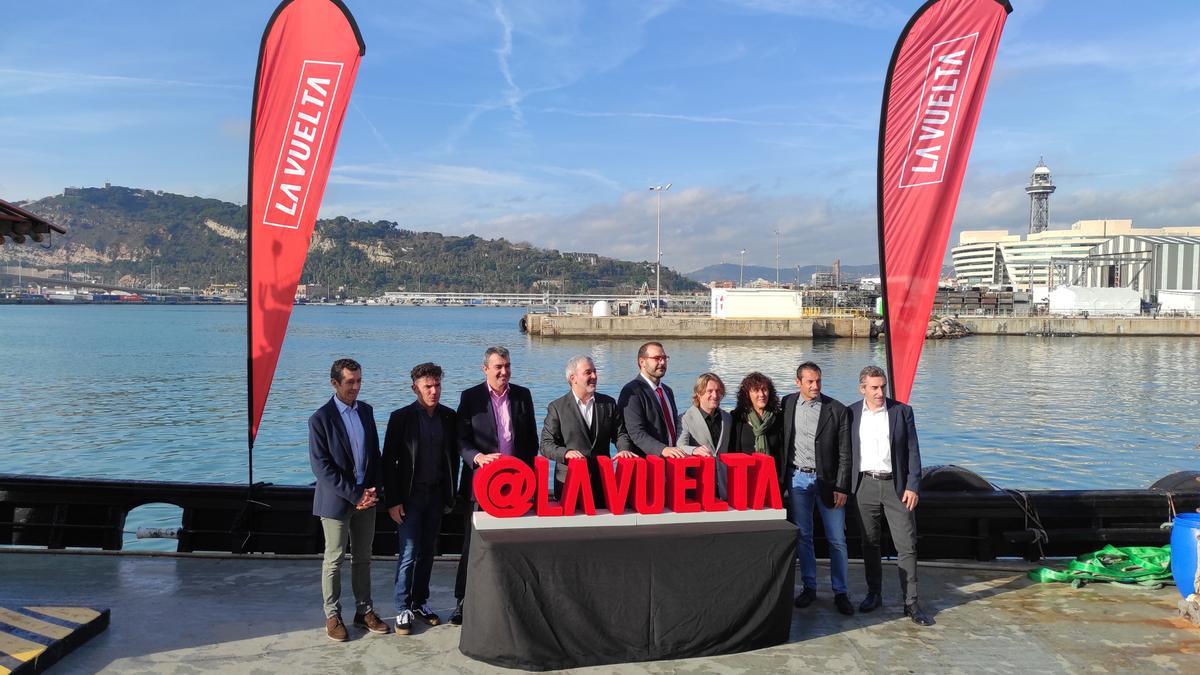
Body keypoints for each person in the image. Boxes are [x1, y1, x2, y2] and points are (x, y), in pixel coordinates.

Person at [453, 346, 538, 626]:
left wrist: (526, 479)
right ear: (485, 369)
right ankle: (463, 602)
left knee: (511, 546)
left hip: (516, 488)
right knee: (473, 546)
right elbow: (461, 440)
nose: (504, 372)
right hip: (481, 486)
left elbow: (531, 441)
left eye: (508, 366)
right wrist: (477, 458)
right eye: (498, 367)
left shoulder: (523, 396)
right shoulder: (470, 398)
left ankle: (511, 601)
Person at [308, 358, 390, 641]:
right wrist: (355, 494)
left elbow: (374, 455)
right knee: (334, 559)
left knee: (364, 558)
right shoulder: (320, 419)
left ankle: (364, 611)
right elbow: (322, 467)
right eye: (350, 382)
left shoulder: (366, 411)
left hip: (366, 499)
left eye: (359, 381)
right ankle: (332, 615)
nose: (356, 387)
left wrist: (373, 490)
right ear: (334, 383)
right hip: (337, 502)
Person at [849, 365, 933, 626]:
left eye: (882, 386)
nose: (879, 392)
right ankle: (874, 593)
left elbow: (913, 451)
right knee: (869, 543)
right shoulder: (850, 414)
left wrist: (912, 485)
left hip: (896, 486)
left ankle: (911, 603)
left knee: (906, 545)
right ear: (862, 388)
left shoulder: (901, 411)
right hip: (864, 485)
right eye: (874, 387)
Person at [381, 362, 460, 635]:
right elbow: (387, 462)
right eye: (428, 386)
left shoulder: (449, 417)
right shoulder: (401, 418)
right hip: (409, 498)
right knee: (408, 553)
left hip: (436, 495)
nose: (434, 391)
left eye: (437, 385)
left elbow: (454, 457)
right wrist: (392, 501)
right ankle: (402, 606)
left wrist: (452, 493)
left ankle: (419, 602)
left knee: (428, 552)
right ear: (415, 388)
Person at [780, 361, 854, 615]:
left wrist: (842, 486)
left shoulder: (837, 409)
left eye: (818, 381)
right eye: (810, 381)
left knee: (837, 539)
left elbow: (846, 453)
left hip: (829, 482)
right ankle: (809, 587)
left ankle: (841, 592)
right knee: (804, 537)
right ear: (797, 382)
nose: (815, 386)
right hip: (798, 479)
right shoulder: (787, 404)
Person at [539, 355, 636, 508]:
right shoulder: (557, 408)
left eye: (595, 372)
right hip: (569, 484)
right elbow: (545, 445)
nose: (594, 376)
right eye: (588, 372)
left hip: (603, 483)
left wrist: (624, 449)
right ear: (573, 378)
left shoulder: (608, 404)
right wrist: (565, 453)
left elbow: (620, 433)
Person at [617, 341, 682, 457]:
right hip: (648, 464)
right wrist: (663, 450)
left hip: (673, 461)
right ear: (642, 362)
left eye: (664, 358)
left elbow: (675, 425)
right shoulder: (632, 391)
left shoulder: (667, 391)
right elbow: (636, 433)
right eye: (657, 358)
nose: (662, 362)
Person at [675, 372, 732, 497]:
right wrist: (694, 450)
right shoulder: (684, 418)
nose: (715, 395)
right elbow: (680, 446)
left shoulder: (727, 418)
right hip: (699, 486)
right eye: (710, 391)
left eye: (718, 391)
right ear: (699, 393)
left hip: (724, 486)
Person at [729, 372, 784, 474]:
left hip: (773, 478)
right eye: (756, 390)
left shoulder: (778, 418)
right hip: (743, 478)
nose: (761, 394)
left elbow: (782, 453)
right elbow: (732, 450)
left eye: (764, 389)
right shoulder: (738, 418)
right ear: (747, 394)